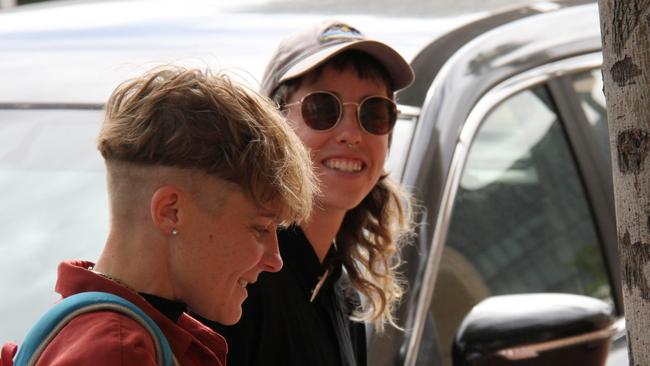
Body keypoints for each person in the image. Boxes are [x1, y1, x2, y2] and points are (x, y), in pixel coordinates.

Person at [0, 67, 317, 365]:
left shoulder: (92, 329)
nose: (275, 260)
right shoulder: (118, 351)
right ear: (171, 211)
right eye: (260, 227)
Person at [204, 21, 415, 366]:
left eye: (373, 113)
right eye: (323, 109)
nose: (351, 133)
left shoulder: (341, 287)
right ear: (274, 124)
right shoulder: (238, 278)